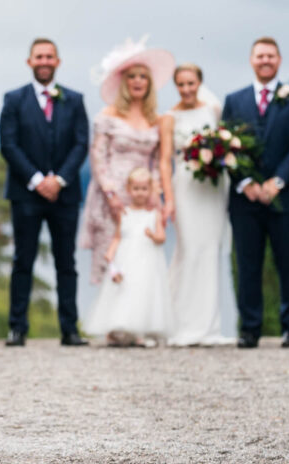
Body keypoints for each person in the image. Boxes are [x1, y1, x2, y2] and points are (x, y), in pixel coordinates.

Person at [0, 38, 89, 347]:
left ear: (58, 61)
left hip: (65, 195)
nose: (44, 61)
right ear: (30, 61)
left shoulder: (75, 100)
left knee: (67, 262)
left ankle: (70, 328)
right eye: (39, 56)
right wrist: (38, 179)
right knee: (22, 260)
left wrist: (60, 179)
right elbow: (8, 144)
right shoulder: (13, 99)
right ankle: (17, 328)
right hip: (26, 194)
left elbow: (81, 144)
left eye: (50, 56)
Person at [221, 37, 289, 349]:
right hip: (245, 201)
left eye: (270, 56)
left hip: (285, 196)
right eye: (260, 56)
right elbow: (226, 148)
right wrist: (248, 184)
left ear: (279, 60)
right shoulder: (234, 101)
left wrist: (276, 183)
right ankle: (250, 328)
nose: (265, 61)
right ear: (251, 60)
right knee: (248, 264)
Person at [79, 36, 174, 284]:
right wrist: (110, 194)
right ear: (123, 81)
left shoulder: (156, 119)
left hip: (144, 196)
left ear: (150, 82)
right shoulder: (108, 115)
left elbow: (156, 161)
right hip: (112, 194)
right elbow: (97, 158)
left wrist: (156, 195)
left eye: (143, 76)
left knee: (141, 261)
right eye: (132, 76)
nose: (138, 81)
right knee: (111, 260)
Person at [160, 63, 237, 346]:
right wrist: (168, 199)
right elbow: (164, 161)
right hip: (185, 188)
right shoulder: (169, 118)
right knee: (189, 250)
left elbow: (224, 145)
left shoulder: (212, 111)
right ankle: (178, 324)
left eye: (191, 83)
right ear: (176, 86)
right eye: (181, 84)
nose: (187, 89)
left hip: (213, 189)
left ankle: (209, 328)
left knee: (210, 251)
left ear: (199, 83)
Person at [84, 168, 172, 346]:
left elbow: (162, 237)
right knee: (123, 290)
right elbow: (118, 236)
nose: (140, 193)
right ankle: (119, 329)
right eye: (136, 188)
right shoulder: (124, 213)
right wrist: (110, 254)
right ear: (129, 189)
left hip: (145, 260)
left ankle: (140, 330)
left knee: (143, 291)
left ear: (151, 190)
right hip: (126, 259)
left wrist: (153, 236)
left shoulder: (154, 214)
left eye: (144, 188)